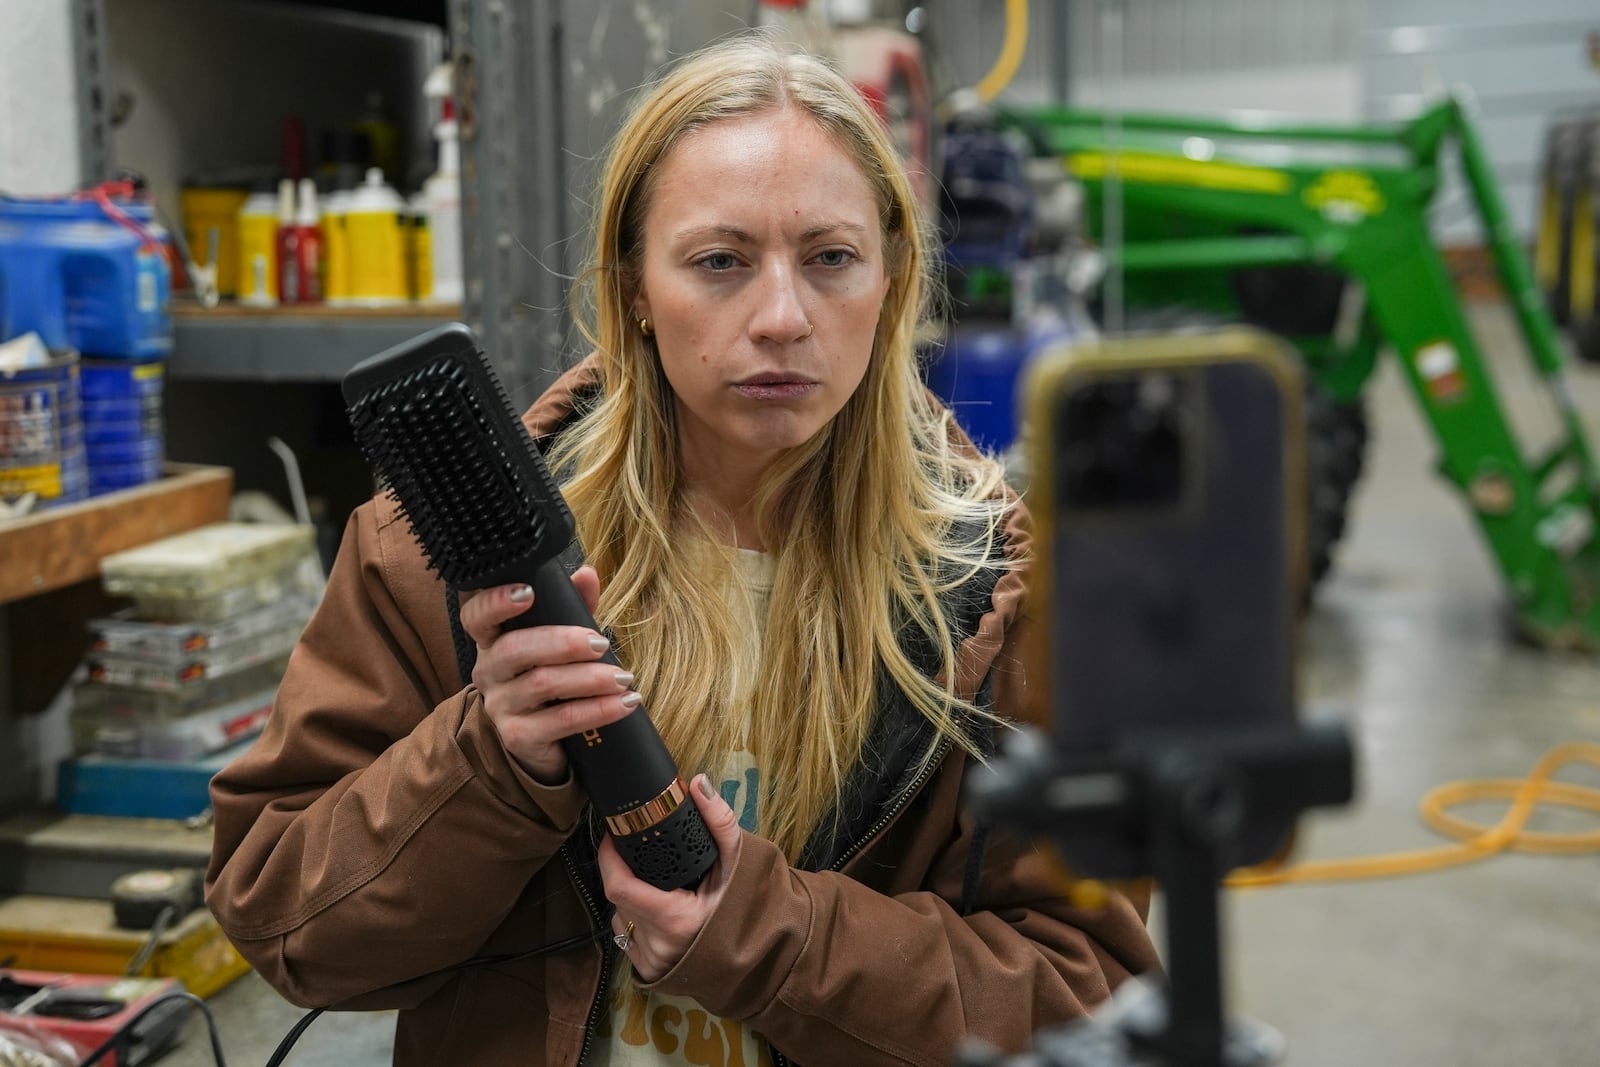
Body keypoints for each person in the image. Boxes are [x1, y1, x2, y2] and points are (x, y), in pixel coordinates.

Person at [205, 32, 1159, 1067]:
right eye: (719, 262)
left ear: (891, 280)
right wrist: (488, 758)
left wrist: (761, 934)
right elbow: (291, 930)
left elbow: (1080, 1000)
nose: (783, 318)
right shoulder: (426, 560)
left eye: (832, 258)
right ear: (631, 293)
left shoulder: (1006, 606)